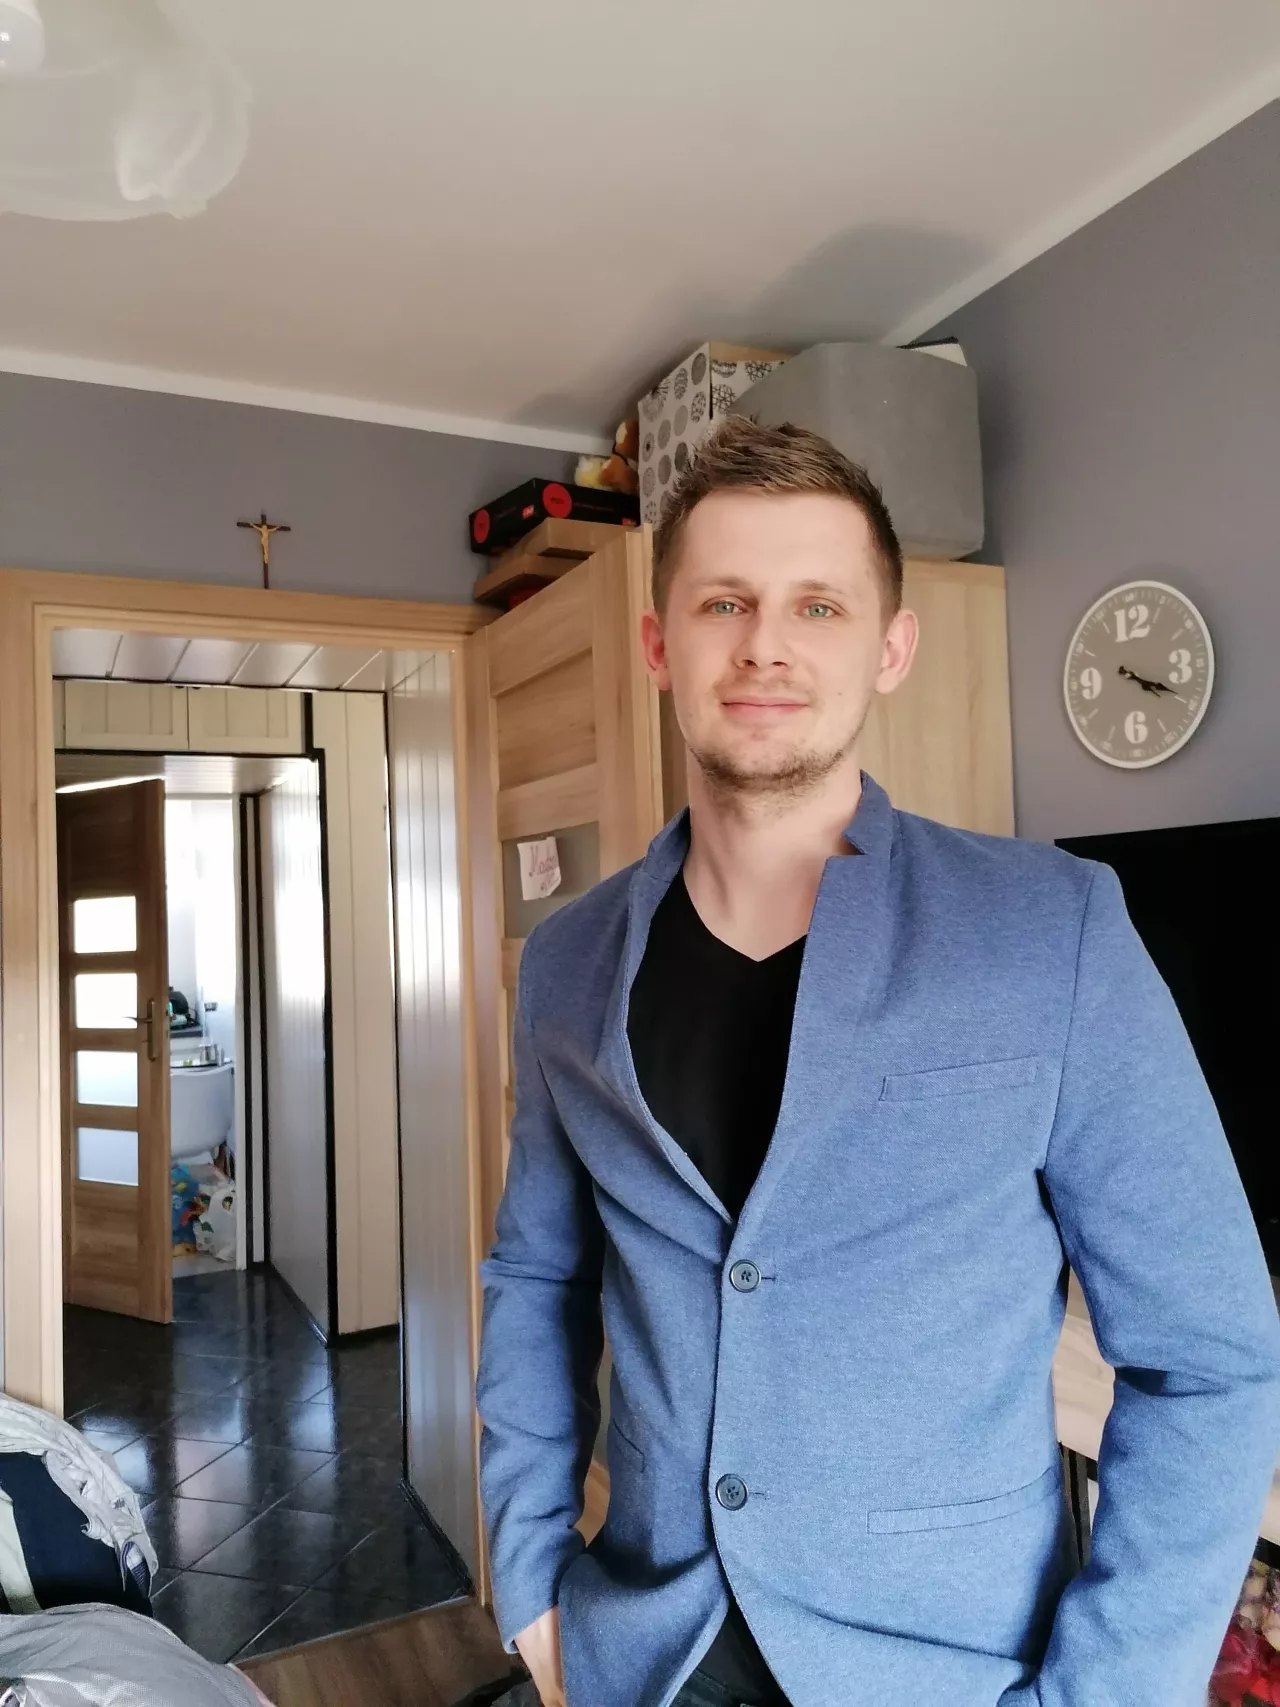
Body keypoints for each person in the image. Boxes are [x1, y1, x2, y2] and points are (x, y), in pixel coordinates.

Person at [475, 416, 1280, 1707]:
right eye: (724, 602)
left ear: (891, 648)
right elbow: (537, 1274)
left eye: (819, 605)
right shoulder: (569, 961)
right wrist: (528, 1573)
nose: (765, 644)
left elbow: (1209, 1357)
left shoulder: (1054, 929)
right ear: (660, 644)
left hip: (949, 1669)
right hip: (645, 1656)